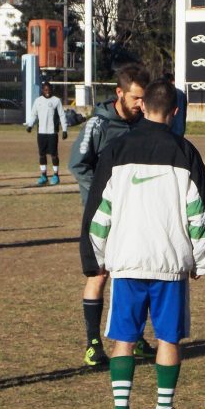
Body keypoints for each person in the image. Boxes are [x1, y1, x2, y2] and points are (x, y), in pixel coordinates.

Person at [82, 79, 205, 409]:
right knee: (168, 339)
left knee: (124, 339)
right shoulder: (186, 151)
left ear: (143, 106)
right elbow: (199, 213)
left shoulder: (116, 150)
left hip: (126, 262)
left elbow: (99, 211)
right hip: (169, 263)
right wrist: (202, 260)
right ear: (175, 112)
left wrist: (93, 257)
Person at [70, 64, 154, 367]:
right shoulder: (99, 124)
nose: (140, 105)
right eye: (135, 98)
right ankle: (93, 343)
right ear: (119, 93)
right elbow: (78, 164)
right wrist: (102, 199)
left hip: (134, 215)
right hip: (101, 215)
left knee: (134, 273)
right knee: (100, 274)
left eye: (144, 99)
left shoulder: (145, 123)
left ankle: (134, 338)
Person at [26, 81, 68, 185]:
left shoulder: (56, 101)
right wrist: (30, 125)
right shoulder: (38, 101)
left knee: (53, 154)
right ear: (42, 90)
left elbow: (62, 115)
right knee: (42, 154)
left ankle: (55, 175)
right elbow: (33, 114)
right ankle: (43, 175)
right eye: (45, 90)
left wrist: (64, 130)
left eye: (49, 89)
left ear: (51, 90)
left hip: (52, 133)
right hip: (41, 133)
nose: (47, 91)